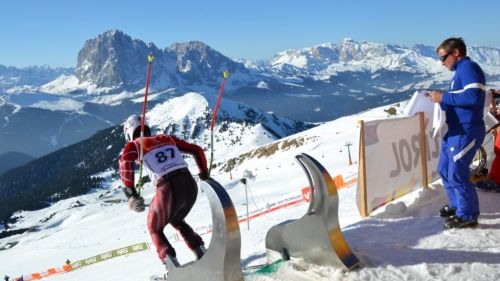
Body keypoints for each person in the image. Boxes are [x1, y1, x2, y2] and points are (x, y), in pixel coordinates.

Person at [119, 114, 209, 271]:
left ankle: (172, 267)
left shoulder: (134, 144)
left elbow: (125, 163)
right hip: (189, 184)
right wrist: (204, 175)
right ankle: (201, 252)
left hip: (167, 187)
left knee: (154, 227)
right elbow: (197, 150)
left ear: (128, 133)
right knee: (176, 219)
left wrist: (131, 194)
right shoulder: (167, 138)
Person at [428, 37, 486, 228]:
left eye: (443, 57)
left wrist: (443, 97)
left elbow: (473, 96)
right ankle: (458, 205)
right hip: (455, 130)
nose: (442, 63)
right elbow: (461, 98)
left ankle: (468, 214)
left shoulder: (468, 68)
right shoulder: (460, 71)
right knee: (445, 170)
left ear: (456, 53)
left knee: (457, 173)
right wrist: (440, 100)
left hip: (466, 130)